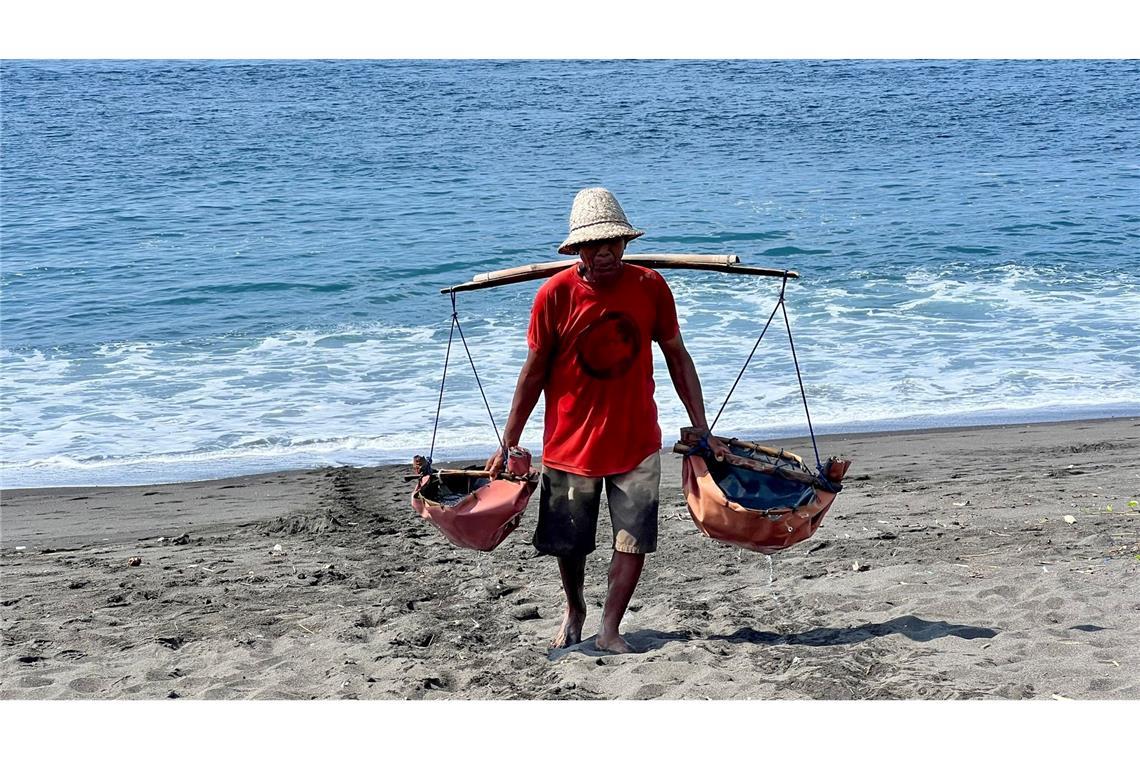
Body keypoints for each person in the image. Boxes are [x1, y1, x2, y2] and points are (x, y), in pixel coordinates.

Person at [486, 187, 729, 654]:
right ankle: (574, 607)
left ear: (625, 243)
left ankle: (611, 626)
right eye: (593, 246)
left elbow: (677, 355)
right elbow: (533, 372)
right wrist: (509, 438)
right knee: (569, 544)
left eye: (613, 243)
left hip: (636, 440)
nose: (605, 253)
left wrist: (702, 423)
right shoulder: (554, 296)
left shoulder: (649, 287)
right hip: (570, 445)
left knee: (633, 538)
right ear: (576, 250)